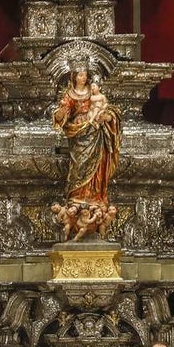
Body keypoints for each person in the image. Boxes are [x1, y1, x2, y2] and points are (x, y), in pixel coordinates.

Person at [52, 67, 122, 239]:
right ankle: (77, 197)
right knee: (79, 166)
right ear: (74, 77)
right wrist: (61, 113)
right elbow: (63, 114)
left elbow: (108, 109)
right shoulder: (70, 94)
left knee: (97, 165)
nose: (83, 78)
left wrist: (106, 117)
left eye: (85, 75)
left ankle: (95, 197)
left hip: (95, 133)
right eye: (80, 75)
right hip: (78, 134)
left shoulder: (94, 91)